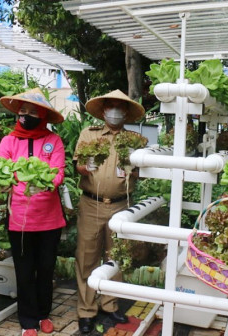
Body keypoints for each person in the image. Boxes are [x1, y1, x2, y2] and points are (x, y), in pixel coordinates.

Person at [74, 89, 145, 334]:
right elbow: (78, 166)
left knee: (115, 256)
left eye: (119, 107)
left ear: (125, 112)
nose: (114, 111)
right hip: (91, 203)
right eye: (110, 106)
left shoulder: (135, 140)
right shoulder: (89, 134)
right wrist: (86, 166)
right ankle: (86, 310)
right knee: (87, 257)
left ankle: (110, 304)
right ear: (103, 110)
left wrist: (133, 170)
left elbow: (144, 170)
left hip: (120, 205)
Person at [0, 88, 66, 336]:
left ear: (43, 115)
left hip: (49, 218)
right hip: (19, 220)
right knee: (24, 270)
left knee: (46, 268)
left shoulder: (53, 141)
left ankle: (43, 314)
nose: (25, 116)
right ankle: (28, 321)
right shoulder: (9, 141)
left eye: (31, 112)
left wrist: (44, 181)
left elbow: (58, 172)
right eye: (22, 112)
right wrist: (0, 184)